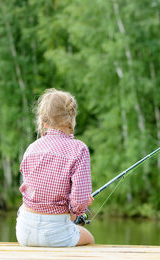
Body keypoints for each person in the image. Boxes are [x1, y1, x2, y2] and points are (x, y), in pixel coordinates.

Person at [16, 88, 94, 247]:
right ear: (72, 118)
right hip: (56, 233)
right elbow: (78, 203)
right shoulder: (79, 149)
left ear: (44, 122)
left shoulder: (31, 148)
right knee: (89, 239)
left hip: (24, 231)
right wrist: (84, 204)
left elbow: (31, 190)